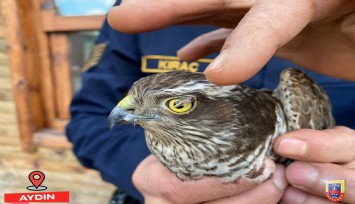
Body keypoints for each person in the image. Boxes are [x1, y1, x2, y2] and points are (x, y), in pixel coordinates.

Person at [67, 1, 355, 203]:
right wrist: (142, 170)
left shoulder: (343, 16)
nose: (127, 109)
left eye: (179, 105)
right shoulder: (139, 7)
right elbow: (90, 116)